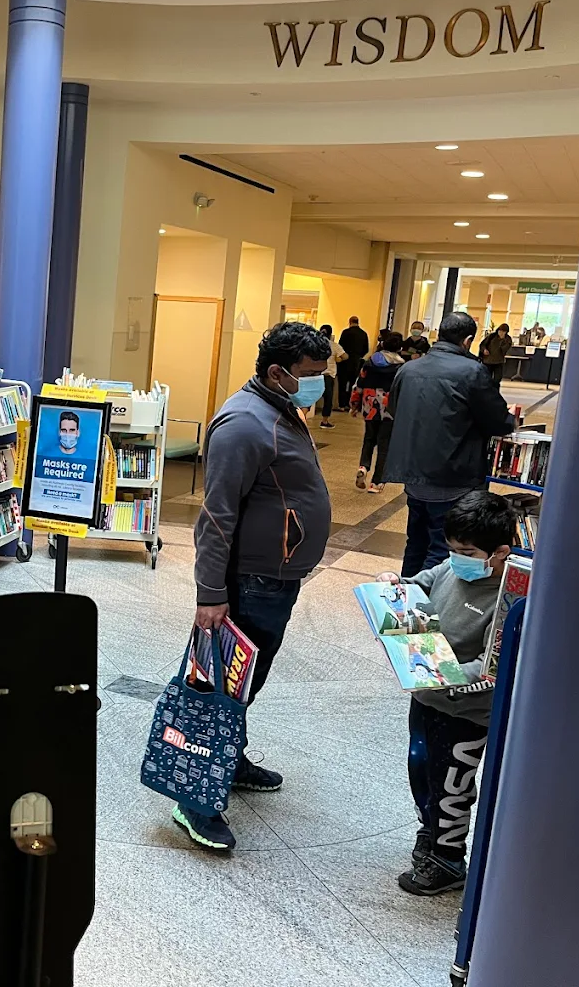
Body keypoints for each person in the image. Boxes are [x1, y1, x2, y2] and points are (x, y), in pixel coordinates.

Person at [186, 322, 333, 851]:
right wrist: (210, 593)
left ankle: (233, 758)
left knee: (245, 683)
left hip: (276, 577)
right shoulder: (245, 424)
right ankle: (196, 799)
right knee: (223, 689)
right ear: (277, 372)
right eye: (312, 376)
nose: (321, 384)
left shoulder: (279, 409)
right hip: (251, 583)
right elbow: (216, 516)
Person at [373, 491, 514, 896]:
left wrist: (443, 675)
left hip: (466, 711)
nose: (456, 558)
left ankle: (448, 857)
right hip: (425, 696)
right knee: (421, 767)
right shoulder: (452, 570)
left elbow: (491, 668)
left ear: (499, 552)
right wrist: (395, 586)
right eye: (452, 549)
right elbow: (422, 583)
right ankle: (430, 831)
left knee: (452, 783)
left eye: (466, 551)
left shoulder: (505, 600)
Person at [383, 312, 517, 577]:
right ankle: (428, 609)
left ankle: (407, 603)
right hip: (454, 476)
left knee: (416, 542)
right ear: (467, 340)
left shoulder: (408, 369)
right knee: (442, 546)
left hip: (413, 474)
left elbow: (395, 409)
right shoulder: (472, 371)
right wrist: (511, 418)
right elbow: (498, 421)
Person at [350, 331, 405, 493]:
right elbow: (402, 390)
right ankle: (376, 482)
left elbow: (358, 384)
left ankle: (363, 466)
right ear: (400, 347)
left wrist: (354, 404)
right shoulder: (401, 366)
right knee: (384, 444)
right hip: (389, 407)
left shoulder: (369, 362)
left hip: (370, 403)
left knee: (369, 438)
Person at [317, 324, 344, 430]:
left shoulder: (315, 344)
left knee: (309, 398)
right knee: (328, 400)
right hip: (328, 375)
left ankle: (302, 417)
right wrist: (338, 359)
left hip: (316, 374)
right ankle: (324, 421)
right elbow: (345, 356)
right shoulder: (334, 345)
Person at [337, 316, 369, 403]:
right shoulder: (363, 334)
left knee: (342, 384)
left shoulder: (346, 332)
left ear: (350, 322)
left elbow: (340, 347)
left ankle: (342, 404)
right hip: (356, 362)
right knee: (353, 383)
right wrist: (359, 355)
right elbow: (366, 349)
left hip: (345, 362)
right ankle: (350, 403)